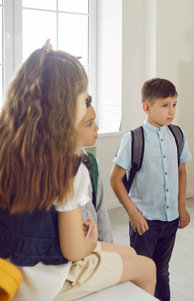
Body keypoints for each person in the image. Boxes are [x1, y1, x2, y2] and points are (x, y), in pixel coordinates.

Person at [0, 41, 156, 300]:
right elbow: (73, 250)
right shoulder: (69, 168)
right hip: (44, 281)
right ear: (64, 107)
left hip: (9, 269)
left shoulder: (7, 146)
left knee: (128, 253)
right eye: (85, 99)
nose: (87, 106)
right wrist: (92, 240)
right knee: (147, 268)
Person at [110, 77, 192, 301]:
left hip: (171, 220)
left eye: (174, 104)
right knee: (141, 274)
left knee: (162, 271)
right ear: (147, 107)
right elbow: (115, 179)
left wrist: (181, 207)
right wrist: (133, 214)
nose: (171, 111)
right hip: (144, 222)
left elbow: (181, 171)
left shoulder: (177, 134)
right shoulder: (133, 138)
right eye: (165, 105)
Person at [77, 98, 113, 243]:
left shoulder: (90, 163)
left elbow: (101, 213)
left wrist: (108, 249)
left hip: (95, 248)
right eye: (89, 124)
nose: (97, 128)